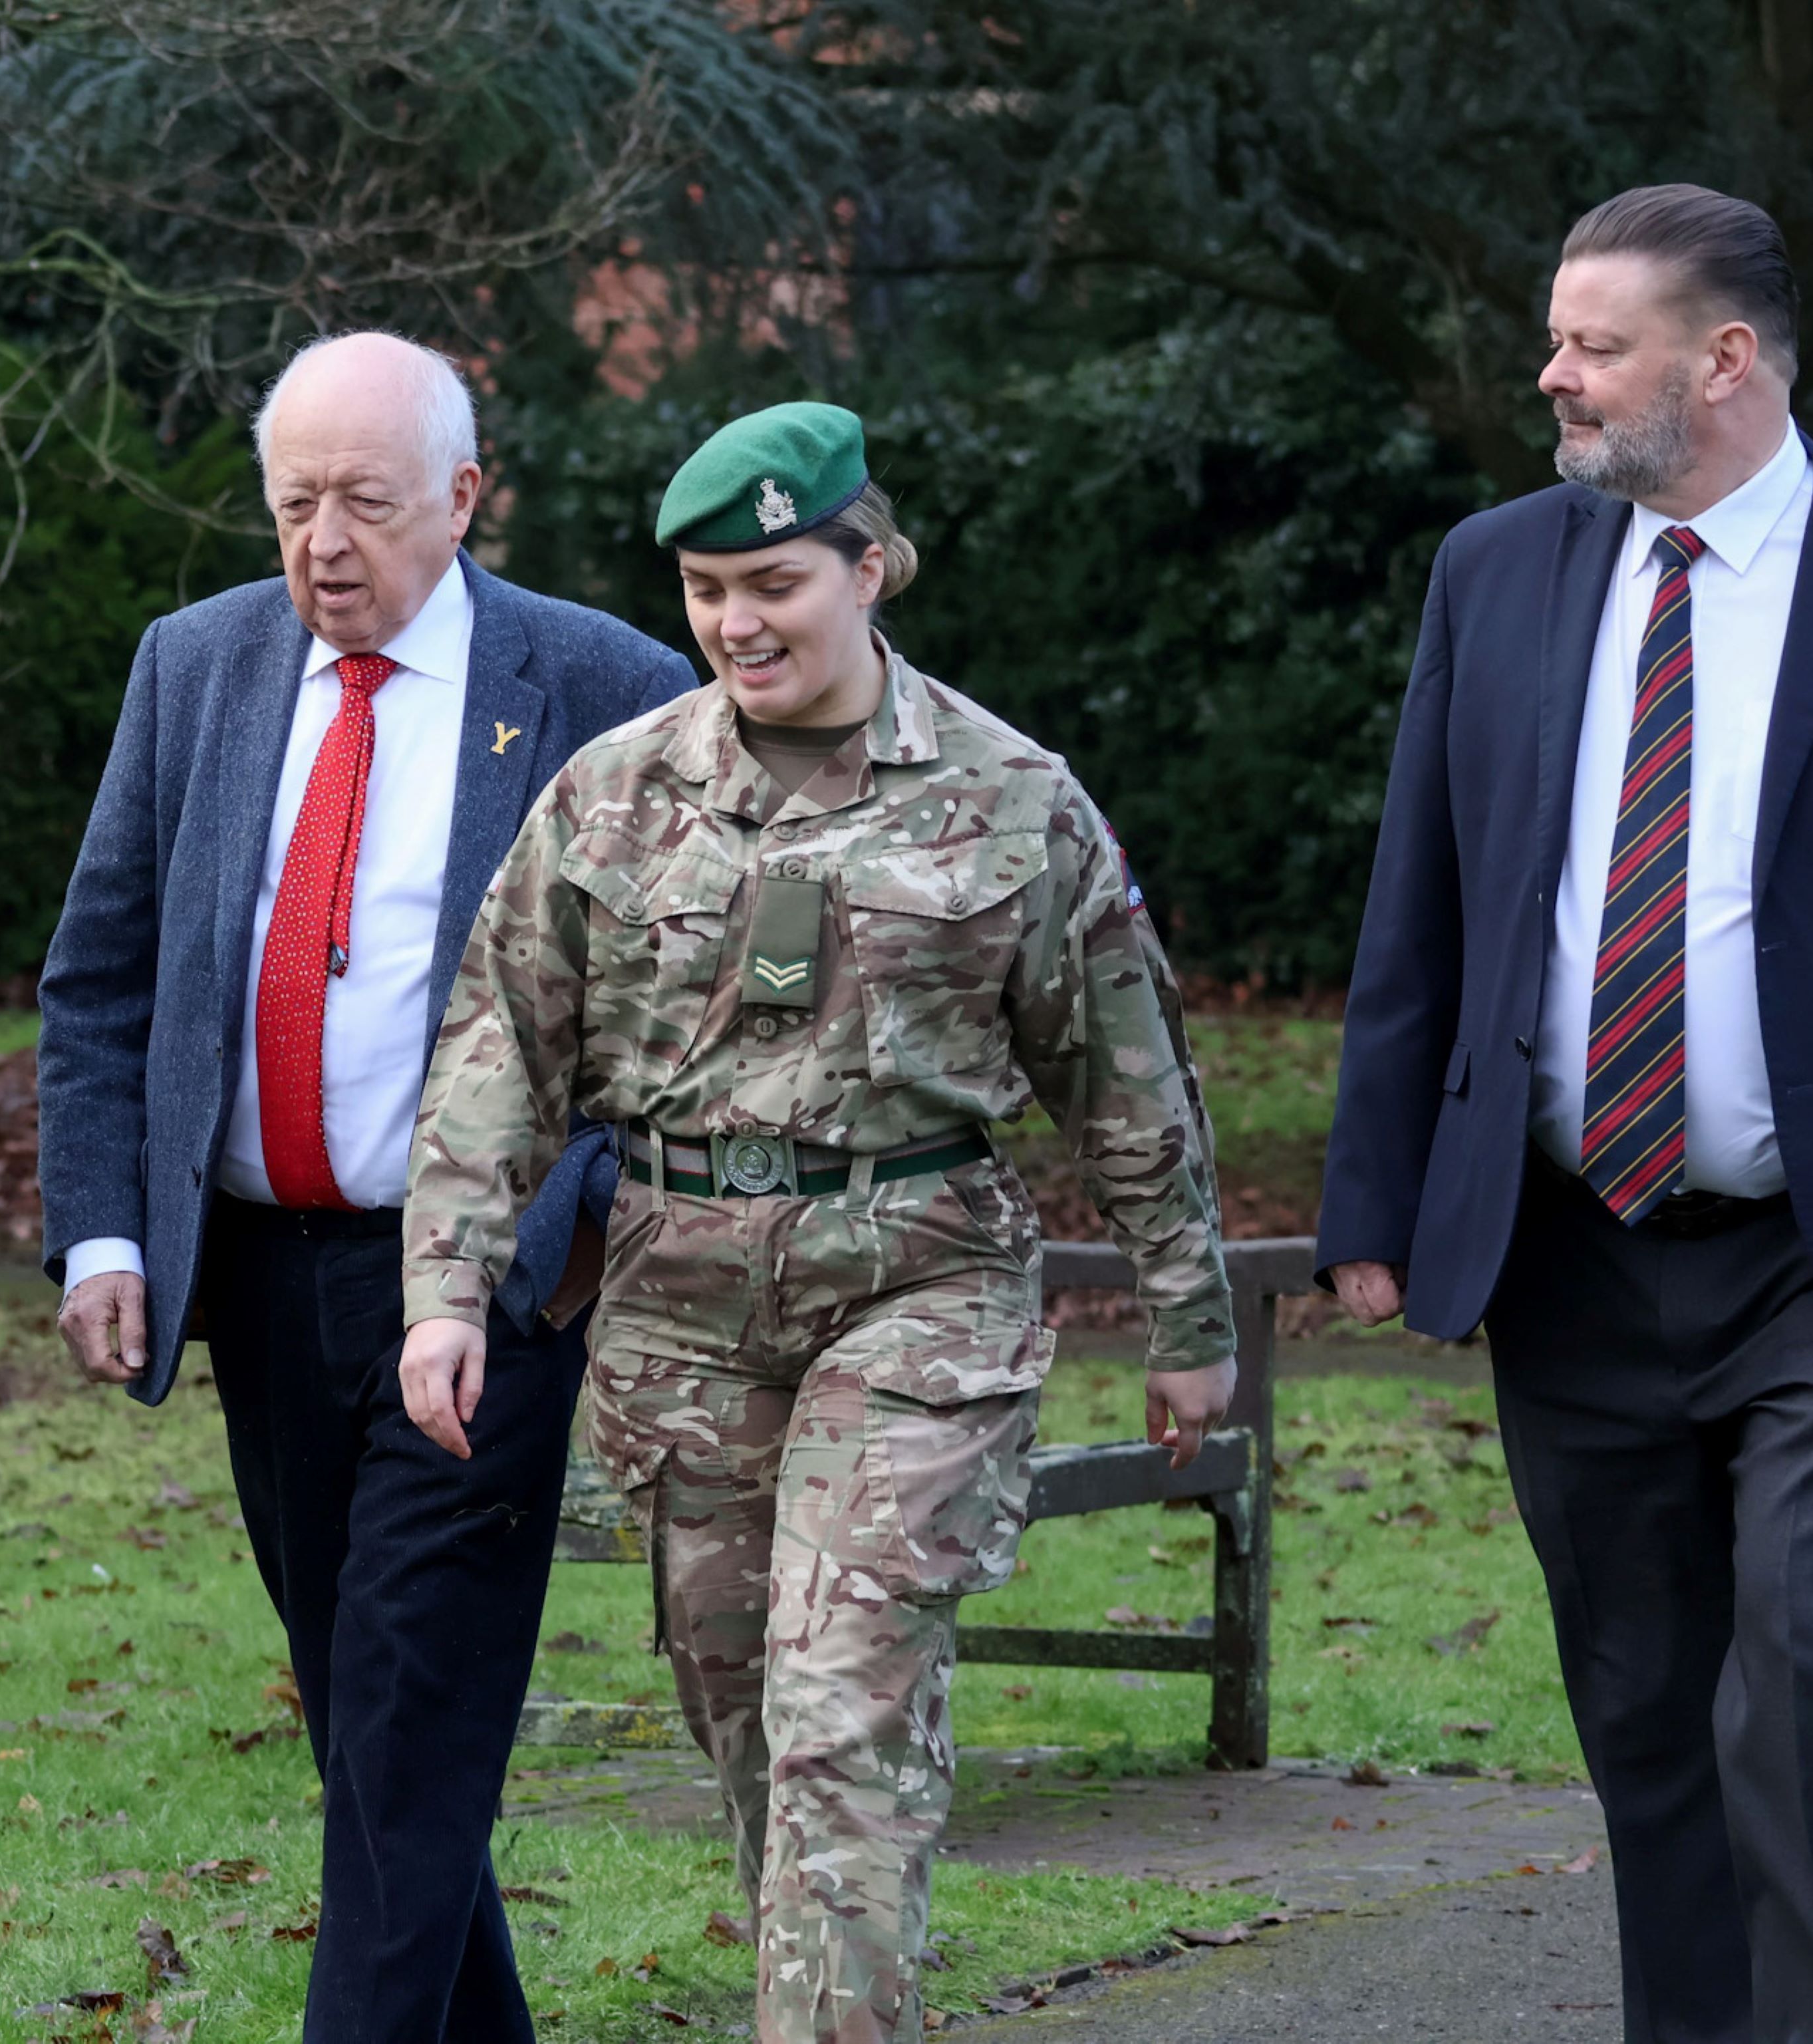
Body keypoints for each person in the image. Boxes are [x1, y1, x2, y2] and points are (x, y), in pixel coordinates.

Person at [397, 400, 1236, 2043]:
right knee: (748, 1715)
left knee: (842, 1707)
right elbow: (500, 1048)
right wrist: (446, 1285)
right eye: (708, 590)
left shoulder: (1012, 798)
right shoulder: (612, 795)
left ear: (871, 565)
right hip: (682, 1309)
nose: (737, 622)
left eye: (774, 580)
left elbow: (1124, 1073)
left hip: (915, 1283)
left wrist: (1187, 1320)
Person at [1320, 184, 1813, 2044]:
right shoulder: (1496, 568)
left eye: (1590, 342)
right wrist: (1372, 1198)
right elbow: (1425, 904)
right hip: (1570, 1241)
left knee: (1805, 1677)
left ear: (1720, 360)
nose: (1547, 372)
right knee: (1641, 1706)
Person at [35, 331, 696, 2044]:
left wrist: (560, 1244)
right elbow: (102, 977)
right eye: (292, 503)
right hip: (258, 1279)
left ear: (464, 499)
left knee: (404, 1720)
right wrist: (106, 1228)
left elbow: (664, 1014)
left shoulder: (601, 685)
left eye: (367, 503)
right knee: (375, 1722)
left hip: (477, 1287)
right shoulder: (195, 667)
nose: (324, 542)